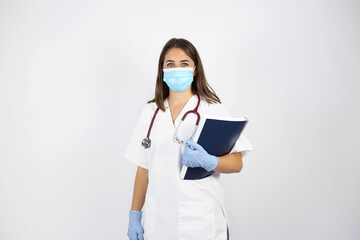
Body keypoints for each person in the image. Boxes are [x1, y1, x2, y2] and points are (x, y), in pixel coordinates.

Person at [125, 38, 254, 240]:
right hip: (158, 222)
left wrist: (212, 162)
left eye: (184, 64)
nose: (177, 69)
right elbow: (143, 168)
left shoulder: (212, 109)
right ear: (162, 70)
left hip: (201, 221)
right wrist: (134, 215)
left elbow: (237, 163)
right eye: (170, 64)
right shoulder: (150, 113)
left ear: (195, 69)